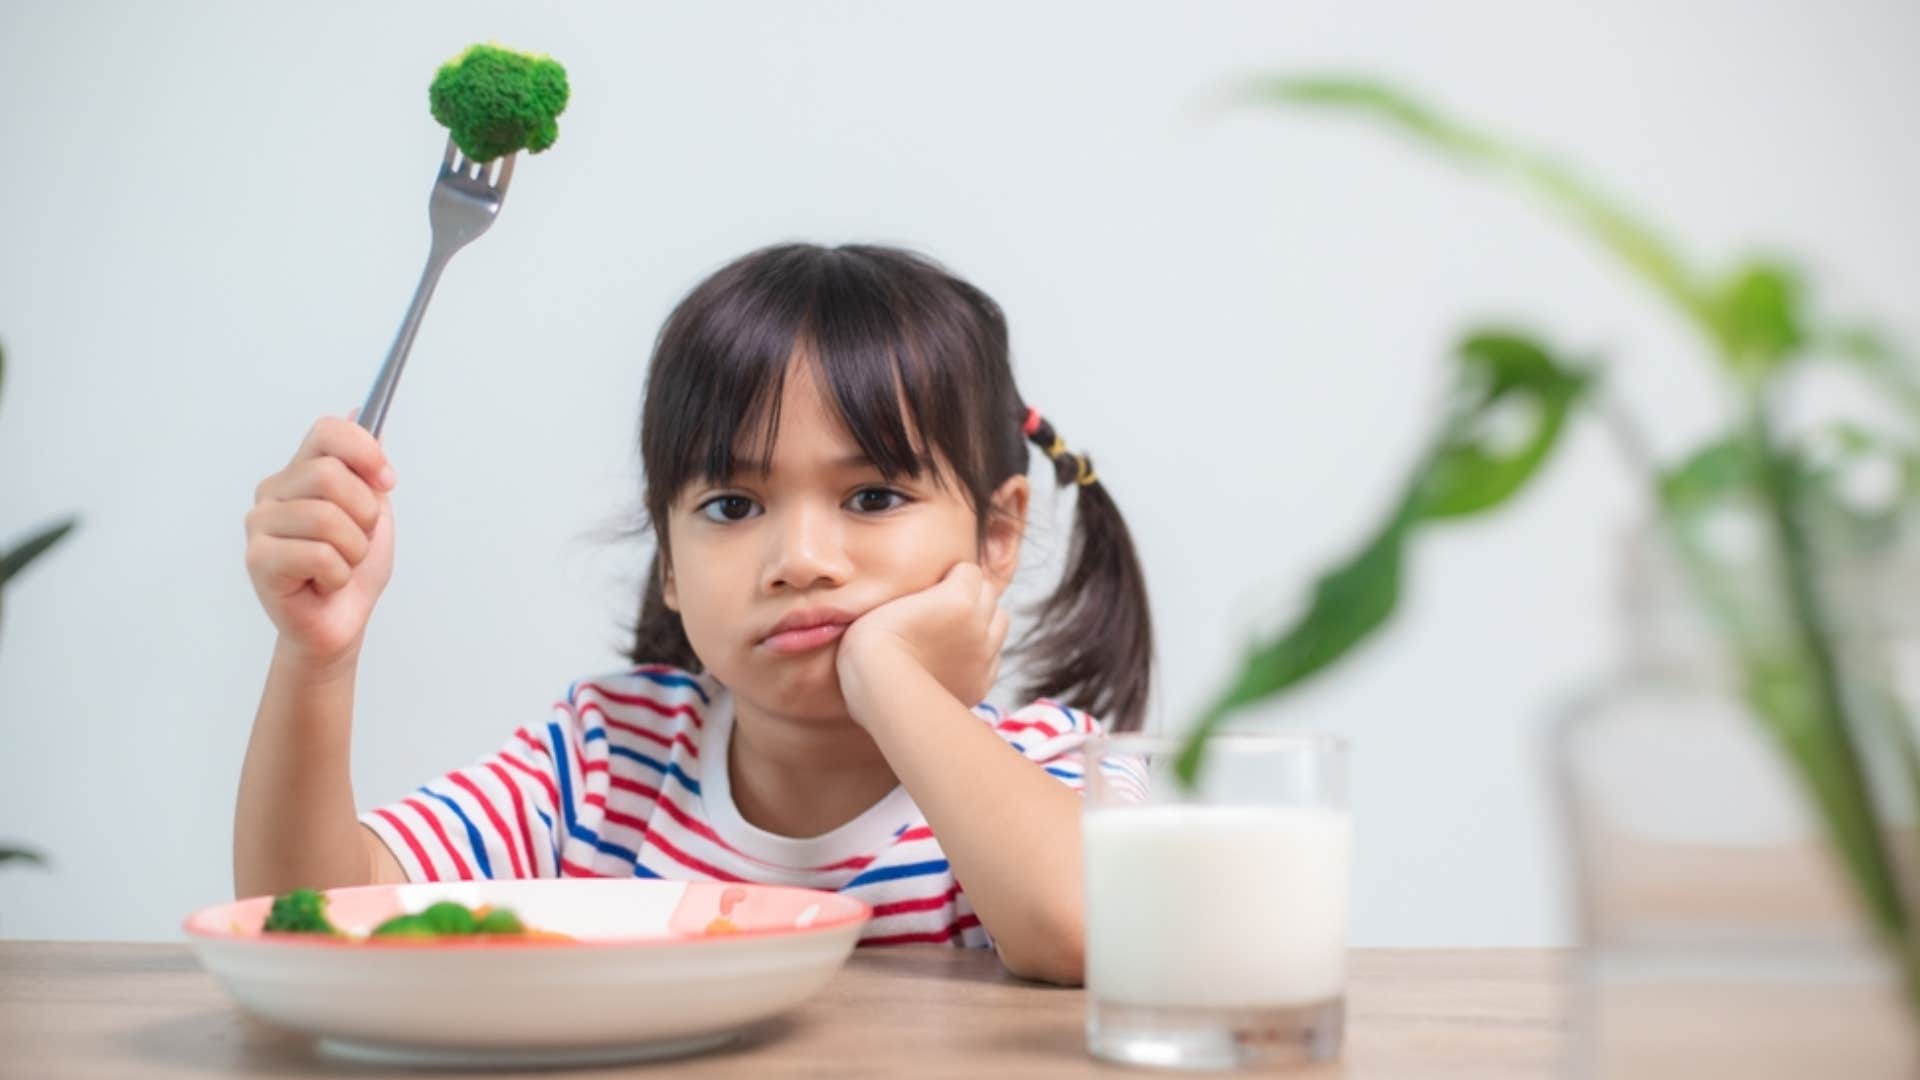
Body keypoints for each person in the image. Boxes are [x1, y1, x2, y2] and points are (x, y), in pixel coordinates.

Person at [233, 243, 1154, 984]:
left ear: (998, 537)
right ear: (668, 560)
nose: (800, 561)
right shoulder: (603, 763)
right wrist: (319, 659)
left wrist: (890, 680)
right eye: (731, 507)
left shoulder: (1049, 770)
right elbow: (316, 919)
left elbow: (1091, 932)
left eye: (872, 498)